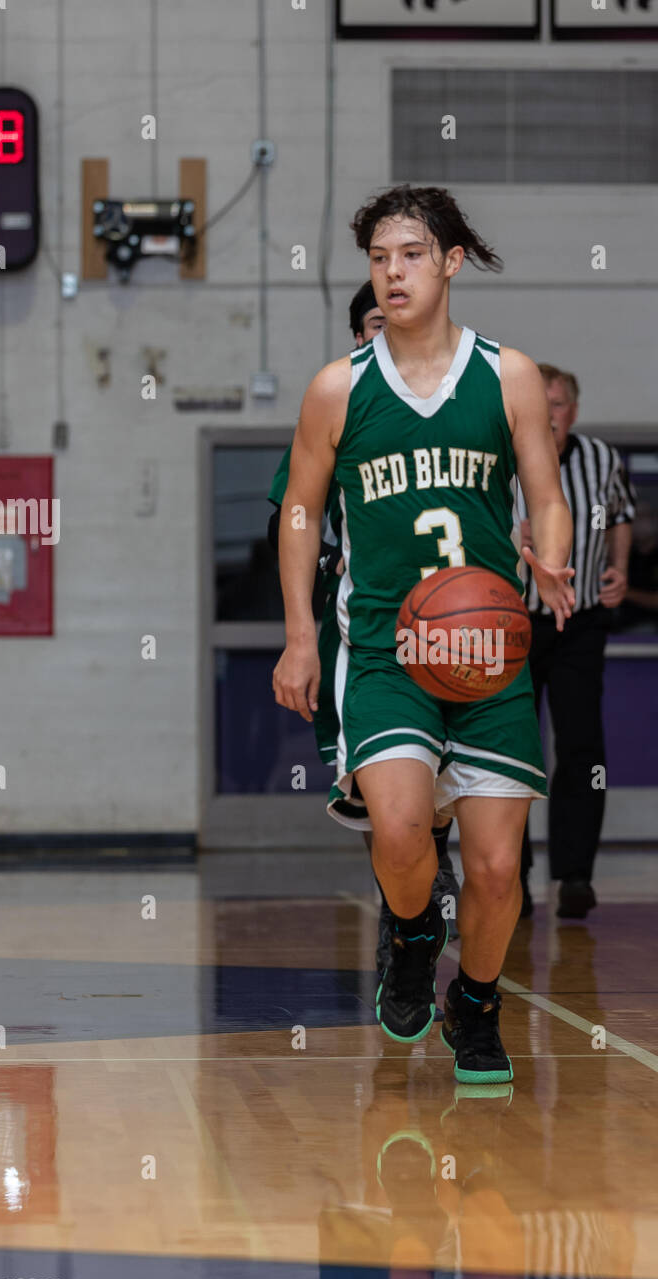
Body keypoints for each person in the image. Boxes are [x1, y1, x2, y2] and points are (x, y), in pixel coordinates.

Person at [273, 184, 574, 1083]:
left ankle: (474, 1004)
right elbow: (299, 511)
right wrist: (297, 635)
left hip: (489, 652)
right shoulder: (339, 388)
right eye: (378, 259)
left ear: (450, 262)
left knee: (492, 872)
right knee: (400, 828)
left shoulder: (509, 375)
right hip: (385, 651)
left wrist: (551, 559)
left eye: (410, 255)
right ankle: (410, 933)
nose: (392, 272)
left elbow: (547, 495)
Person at [266, 282, 458, 975]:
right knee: (383, 797)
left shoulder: (463, 397)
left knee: (461, 792)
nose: (391, 328)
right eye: (375, 321)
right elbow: (288, 515)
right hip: (371, 634)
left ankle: (444, 887)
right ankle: (405, 917)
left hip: (462, 628)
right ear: (358, 336)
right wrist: (317, 581)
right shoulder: (340, 401)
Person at [514, 366, 635, 920]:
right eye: (541, 403)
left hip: (579, 623)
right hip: (512, 625)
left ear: (574, 412)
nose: (551, 412)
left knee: (583, 747)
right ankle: (510, 879)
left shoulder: (601, 460)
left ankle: (576, 875)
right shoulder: (501, 457)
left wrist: (620, 569)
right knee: (509, 751)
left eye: (558, 404)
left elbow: (621, 515)